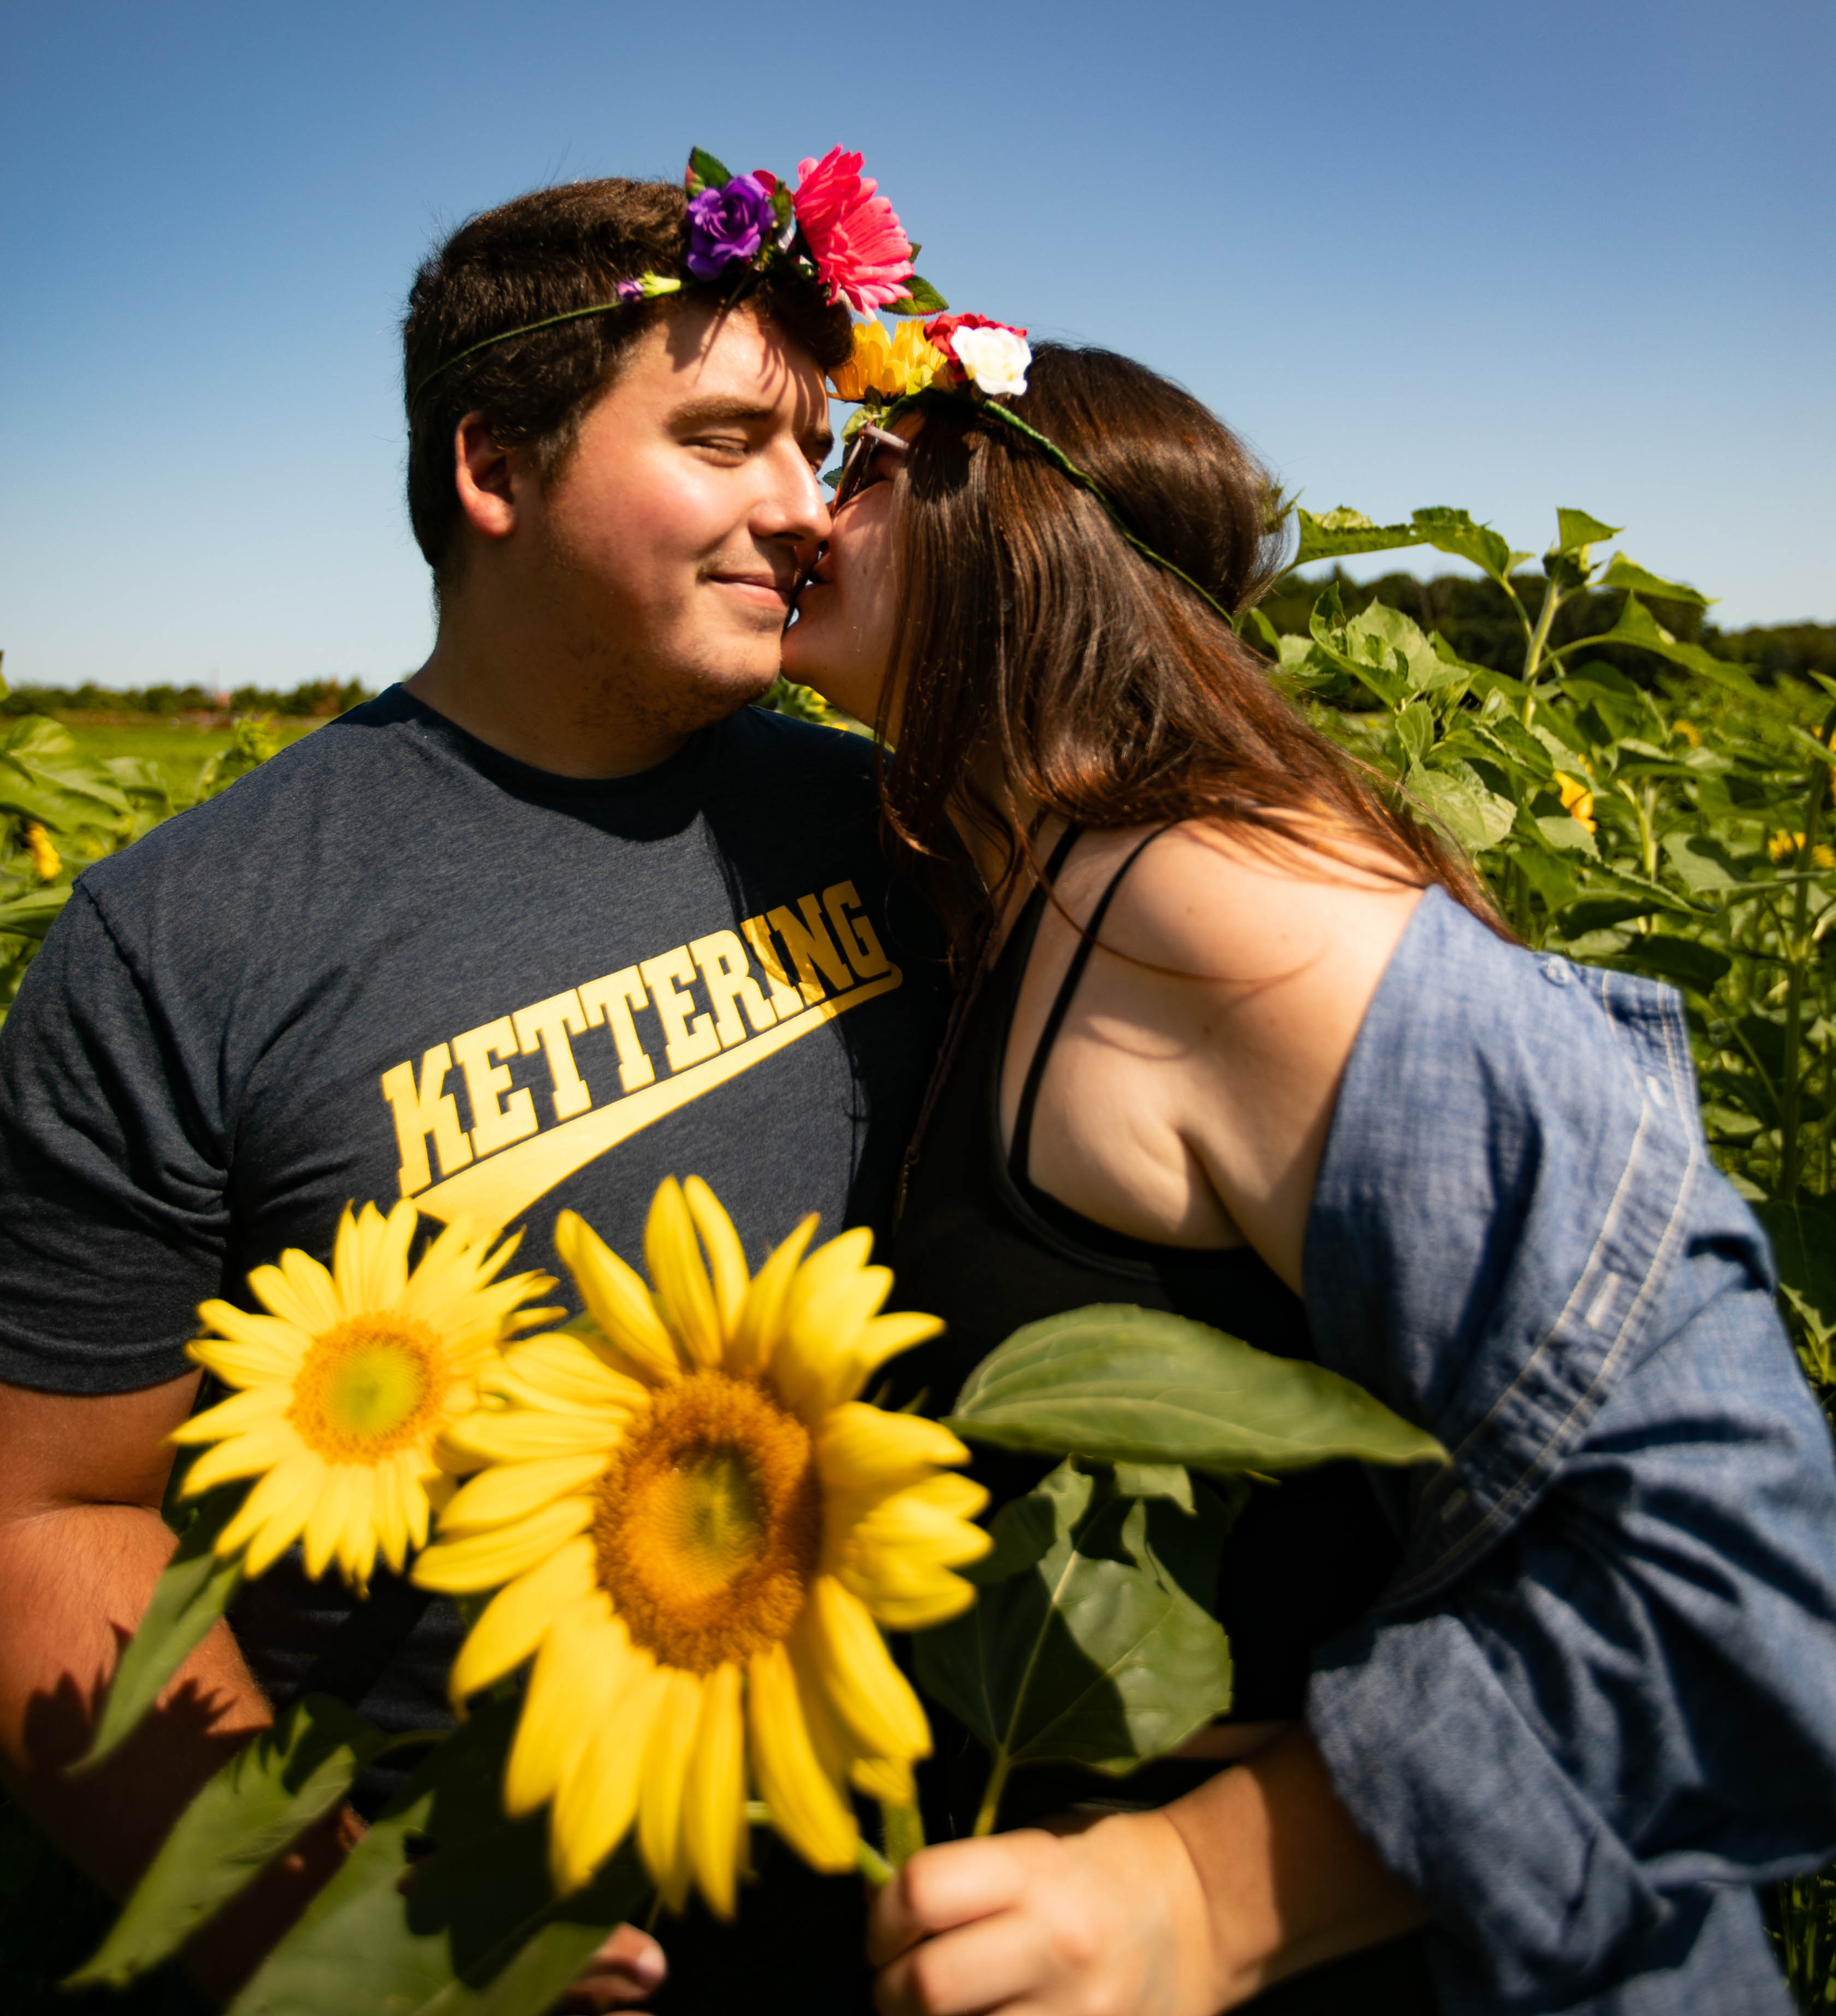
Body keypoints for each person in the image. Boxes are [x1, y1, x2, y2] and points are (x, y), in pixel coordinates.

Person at [780, 326, 1836, 2014]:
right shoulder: (1014, 888)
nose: (807, 512)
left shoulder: (1218, 911)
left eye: (869, 471)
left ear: (1007, 522)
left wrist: (1201, 1890)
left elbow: (1753, 1571)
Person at [0, 167, 949, 2011]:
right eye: (728, 437)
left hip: (942, 1871)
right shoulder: (189, 938)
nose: (801, 509)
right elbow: (54, 1524)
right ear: (492, 469)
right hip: (482, 1890)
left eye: (814, 448)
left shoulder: (899, 822)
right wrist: (358, 1937)